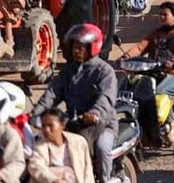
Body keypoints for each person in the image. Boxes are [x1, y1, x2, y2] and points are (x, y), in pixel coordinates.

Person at [31, 23, 116, 183]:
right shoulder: (68, 71)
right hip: (74, 122)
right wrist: (36, 113)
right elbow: (52, 94)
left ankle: (106, 178)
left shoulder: (105, 71)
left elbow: (106, 98)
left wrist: (95, 114)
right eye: (75, 46)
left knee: (102, 148)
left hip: (102, 124)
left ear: (93, 46)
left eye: (82, 47)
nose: (77, 50)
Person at [121, 2, 174, 147]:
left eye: (165, 14)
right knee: (136, 90)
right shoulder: (156, 33)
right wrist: (127, 56)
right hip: (155, 72)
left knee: (159, 94)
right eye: (160, 14)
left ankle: (172, 124)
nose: (162, 17)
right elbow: (141, 46)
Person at [27, 109, 94, 183]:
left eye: (50, 125)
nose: (46, 130)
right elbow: (36, 167)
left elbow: (88, 170)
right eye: (43, 125)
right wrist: (53, 180)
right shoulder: (39, 146)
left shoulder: (79, 142)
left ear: (62, 125)